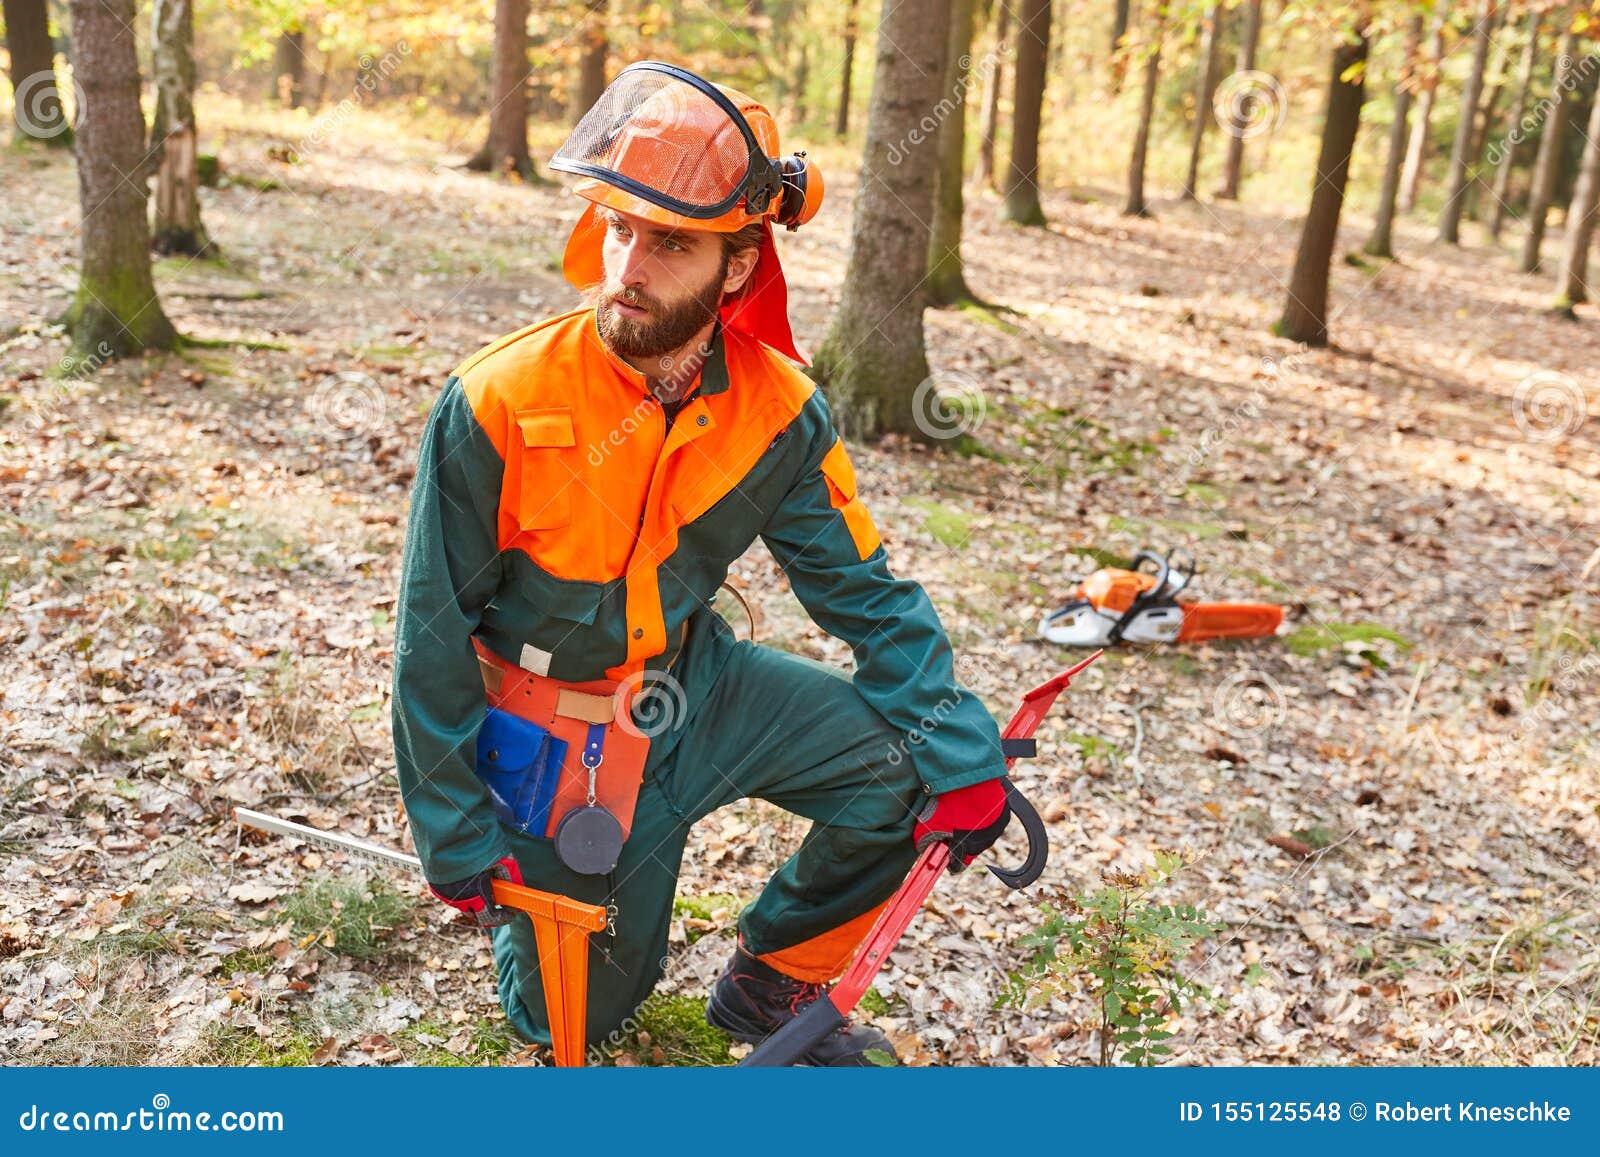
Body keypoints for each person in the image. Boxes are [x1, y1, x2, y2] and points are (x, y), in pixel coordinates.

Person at [392, 62, 1011, 1066]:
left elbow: (865, 592)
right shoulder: (498, 401)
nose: (627, 265)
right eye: (619, 227)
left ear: (737, 265)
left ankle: (772, 979)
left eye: (670, 242)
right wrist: (455, 829)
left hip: (697, 686)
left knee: (899, 772)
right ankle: (554, 912)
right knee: (569, 1020)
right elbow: (429, 635)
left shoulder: (778, 410)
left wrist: (958, 743)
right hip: (554, 736)